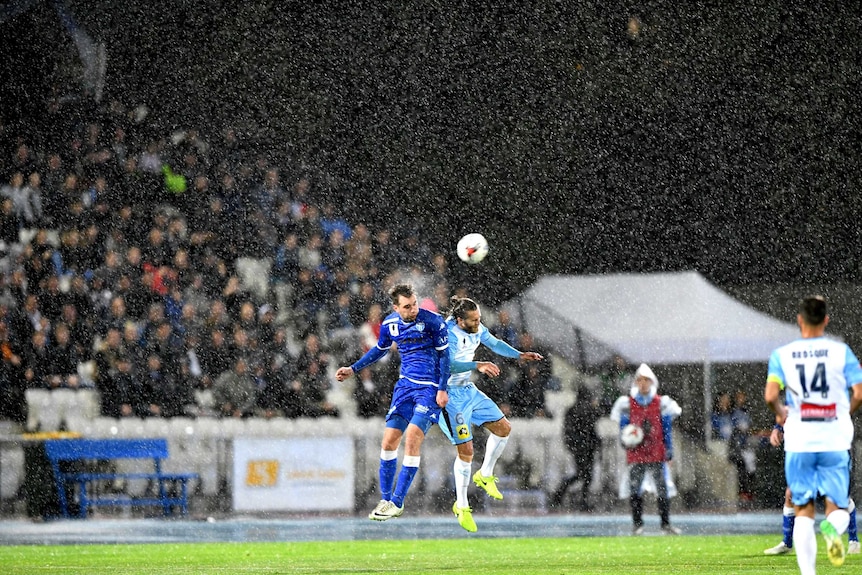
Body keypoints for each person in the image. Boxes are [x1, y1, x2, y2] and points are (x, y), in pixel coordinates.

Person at [335, 283, 449, 521]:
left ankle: (398, 502)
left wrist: (442, 389)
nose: (413, 309)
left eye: (415, 303)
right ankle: (386, 499)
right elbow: (379, 349)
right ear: (396, 307)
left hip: (428, 390)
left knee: (412, 439)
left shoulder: (433, 322)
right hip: (405, 388)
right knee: (388, 443)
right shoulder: (390, 324)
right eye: (407, 306)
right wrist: (353, 369)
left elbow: (444, 356)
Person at [764, 295, 862, 571]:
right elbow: (859, 392)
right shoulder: (840, 352)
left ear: (799, 320)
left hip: (800, 440)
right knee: (838, 507)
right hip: (833, 437)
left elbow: (771, 395)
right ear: (826, 320)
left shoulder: (782, 355)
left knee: (803, 511)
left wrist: (782, 414)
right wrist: (845, 412)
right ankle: (833, 527)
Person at [437, 296, 544, 532]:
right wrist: (477, 365)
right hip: (449, 395)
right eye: (474, 320)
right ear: (459, 320)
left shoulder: (475, 327)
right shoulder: (447, 334)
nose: (478, 323)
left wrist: (519, 354)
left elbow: (494, 343)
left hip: (468, 390)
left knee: (504, 428)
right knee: (466, 450)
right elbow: (448, 365)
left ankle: (484, 474)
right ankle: (462, 505)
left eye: (479, 319)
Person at [610, 363, 682, 535]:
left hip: (656, 451)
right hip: (637, 452)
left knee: (661, 487)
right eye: (640, 380)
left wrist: (668, 449)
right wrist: (626, 440)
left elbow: (666, 428)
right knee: (635, 487)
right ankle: (637, 524)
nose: (643, 383)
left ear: (652, 382)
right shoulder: (627, 404)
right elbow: (624, 429)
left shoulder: (661, 403)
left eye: (646, 380)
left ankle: (665, 524)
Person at [551, 386, 602, 511]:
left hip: (578, 447)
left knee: (581, 474)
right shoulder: (588, 409)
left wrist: (571, 445)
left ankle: (561, 493)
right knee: (585, 475)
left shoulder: (571, 409)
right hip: (587, 446)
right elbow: (594, 424)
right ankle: (579, 500)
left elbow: (568, 430)